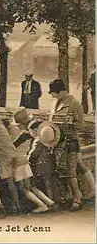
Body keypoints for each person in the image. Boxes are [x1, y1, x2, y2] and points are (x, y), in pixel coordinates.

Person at [48, 79, 95, 209]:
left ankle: (77, 198)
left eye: (54, 93)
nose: (53, 96)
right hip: (56, 142)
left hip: (70, 142)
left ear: (62, 91)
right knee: (61, 170)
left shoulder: (74, 104)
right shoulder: (54, 103)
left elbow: (81, 125)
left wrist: (68, 126)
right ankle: (69, 195)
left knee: (70, 171)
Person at [12, 108, 56, 213]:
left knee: (29, 185)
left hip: (39, 160)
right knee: (33, 184)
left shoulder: (32, 129)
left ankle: (44, 204)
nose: (18, 127)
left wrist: (27, 158)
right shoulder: (37, 125)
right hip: (46, 157)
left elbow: (35, 147)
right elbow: (19, 141)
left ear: (23, 123)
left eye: (19, 125)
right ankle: (50, 202)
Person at [28, 121, 61, 206]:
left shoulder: (38, 140)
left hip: (41, 166)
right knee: (50, 183)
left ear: (35, 130)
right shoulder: (50, 138)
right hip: (50, 165)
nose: (30, 134)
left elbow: (34, 154)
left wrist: (27, 159)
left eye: (30, 131)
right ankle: (56, 200)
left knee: (46, 184)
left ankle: (50, 202)